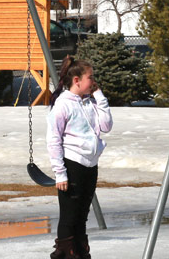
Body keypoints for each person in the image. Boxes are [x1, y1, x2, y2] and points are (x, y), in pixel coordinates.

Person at [47, 57, 113, 259]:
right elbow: (53, 140)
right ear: (76, 80)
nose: (93, 81)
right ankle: (65, 254)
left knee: (82, 217)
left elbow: (106, 126)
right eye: (90, 77)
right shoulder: (62, 105)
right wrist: (60, 173)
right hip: (72, 165)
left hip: (90, 165)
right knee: (69, 216)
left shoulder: (90, 102)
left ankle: (80, 253)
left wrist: (99, 96)